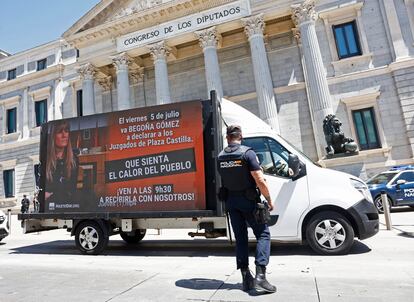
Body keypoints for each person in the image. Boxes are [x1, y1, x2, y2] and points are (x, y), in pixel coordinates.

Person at [218, 125, 277, 294]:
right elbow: (259, 179)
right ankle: (260, 277)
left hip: (231, 203)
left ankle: (246, 278)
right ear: (240, 136)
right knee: (263, 234)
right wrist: (269, 199)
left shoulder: (221, 157)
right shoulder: (247, 153)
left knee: (241, 239)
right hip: (249, 202)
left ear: (228, 138)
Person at [45, 121, 78, 202]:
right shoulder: (46, 160)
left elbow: (71, 190)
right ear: (53, 136)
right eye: (60, 132)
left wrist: (53, 194)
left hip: (68, 204)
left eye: (66, 131)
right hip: (50, 206)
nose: (64, 135)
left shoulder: (74, 160)